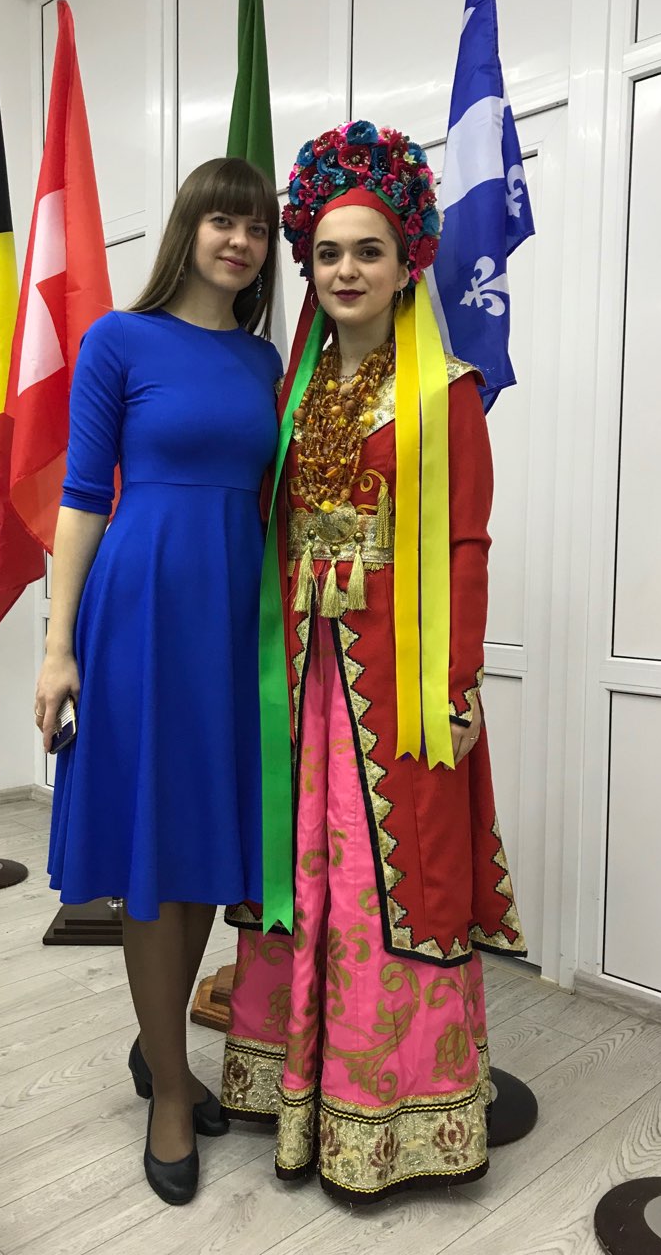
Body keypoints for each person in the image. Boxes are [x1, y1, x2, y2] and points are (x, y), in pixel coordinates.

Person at [220, 122, 526, 1203]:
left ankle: (393, 1113)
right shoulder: (287, 395)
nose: (345, 270)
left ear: (408, 266)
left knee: (392, 876)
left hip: (401, 677)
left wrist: (456, 679)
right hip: (298, 672)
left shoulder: (450, 392)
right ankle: (286, 1084)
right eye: (328, 253)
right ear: (308, 266)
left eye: (369, 252)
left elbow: (467, 544)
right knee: (297, 863)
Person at [33, 157, 282, 1207]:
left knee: (204, 845)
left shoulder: (266, 359)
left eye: (257, 229)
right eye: (223, 221)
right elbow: (84, 496)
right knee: (151, 844)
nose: (240, 241)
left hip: (234, 617)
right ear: (189, 229)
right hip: (140, 611)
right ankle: (170, 1087)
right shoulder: (118, 340)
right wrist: (58, 646)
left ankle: (159, 1043)